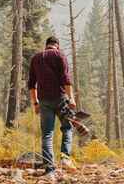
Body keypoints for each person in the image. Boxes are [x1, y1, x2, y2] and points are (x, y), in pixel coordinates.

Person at [27, 36, 77, 178]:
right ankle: (65, 158)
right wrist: (71, 98)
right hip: (60, 98)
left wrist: (35, 103)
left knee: (47, 134)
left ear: (46, 45)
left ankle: (50, 170)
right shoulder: (60, 55)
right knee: (67, 127)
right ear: (57, 46)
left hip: (44, 101)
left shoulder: (36, 58)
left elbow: (31, 84)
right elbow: (66, 79)